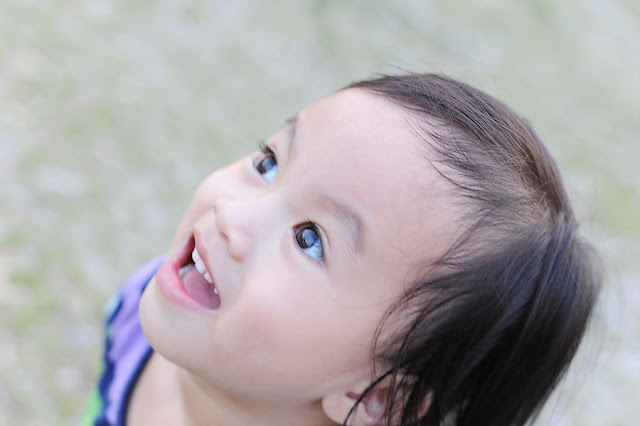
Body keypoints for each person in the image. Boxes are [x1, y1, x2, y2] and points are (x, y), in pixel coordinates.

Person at [82, 73, 600, 426]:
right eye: (269, 164)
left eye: (309, 239)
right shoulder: (145, 315)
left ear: (376, 398)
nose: (231, 213)